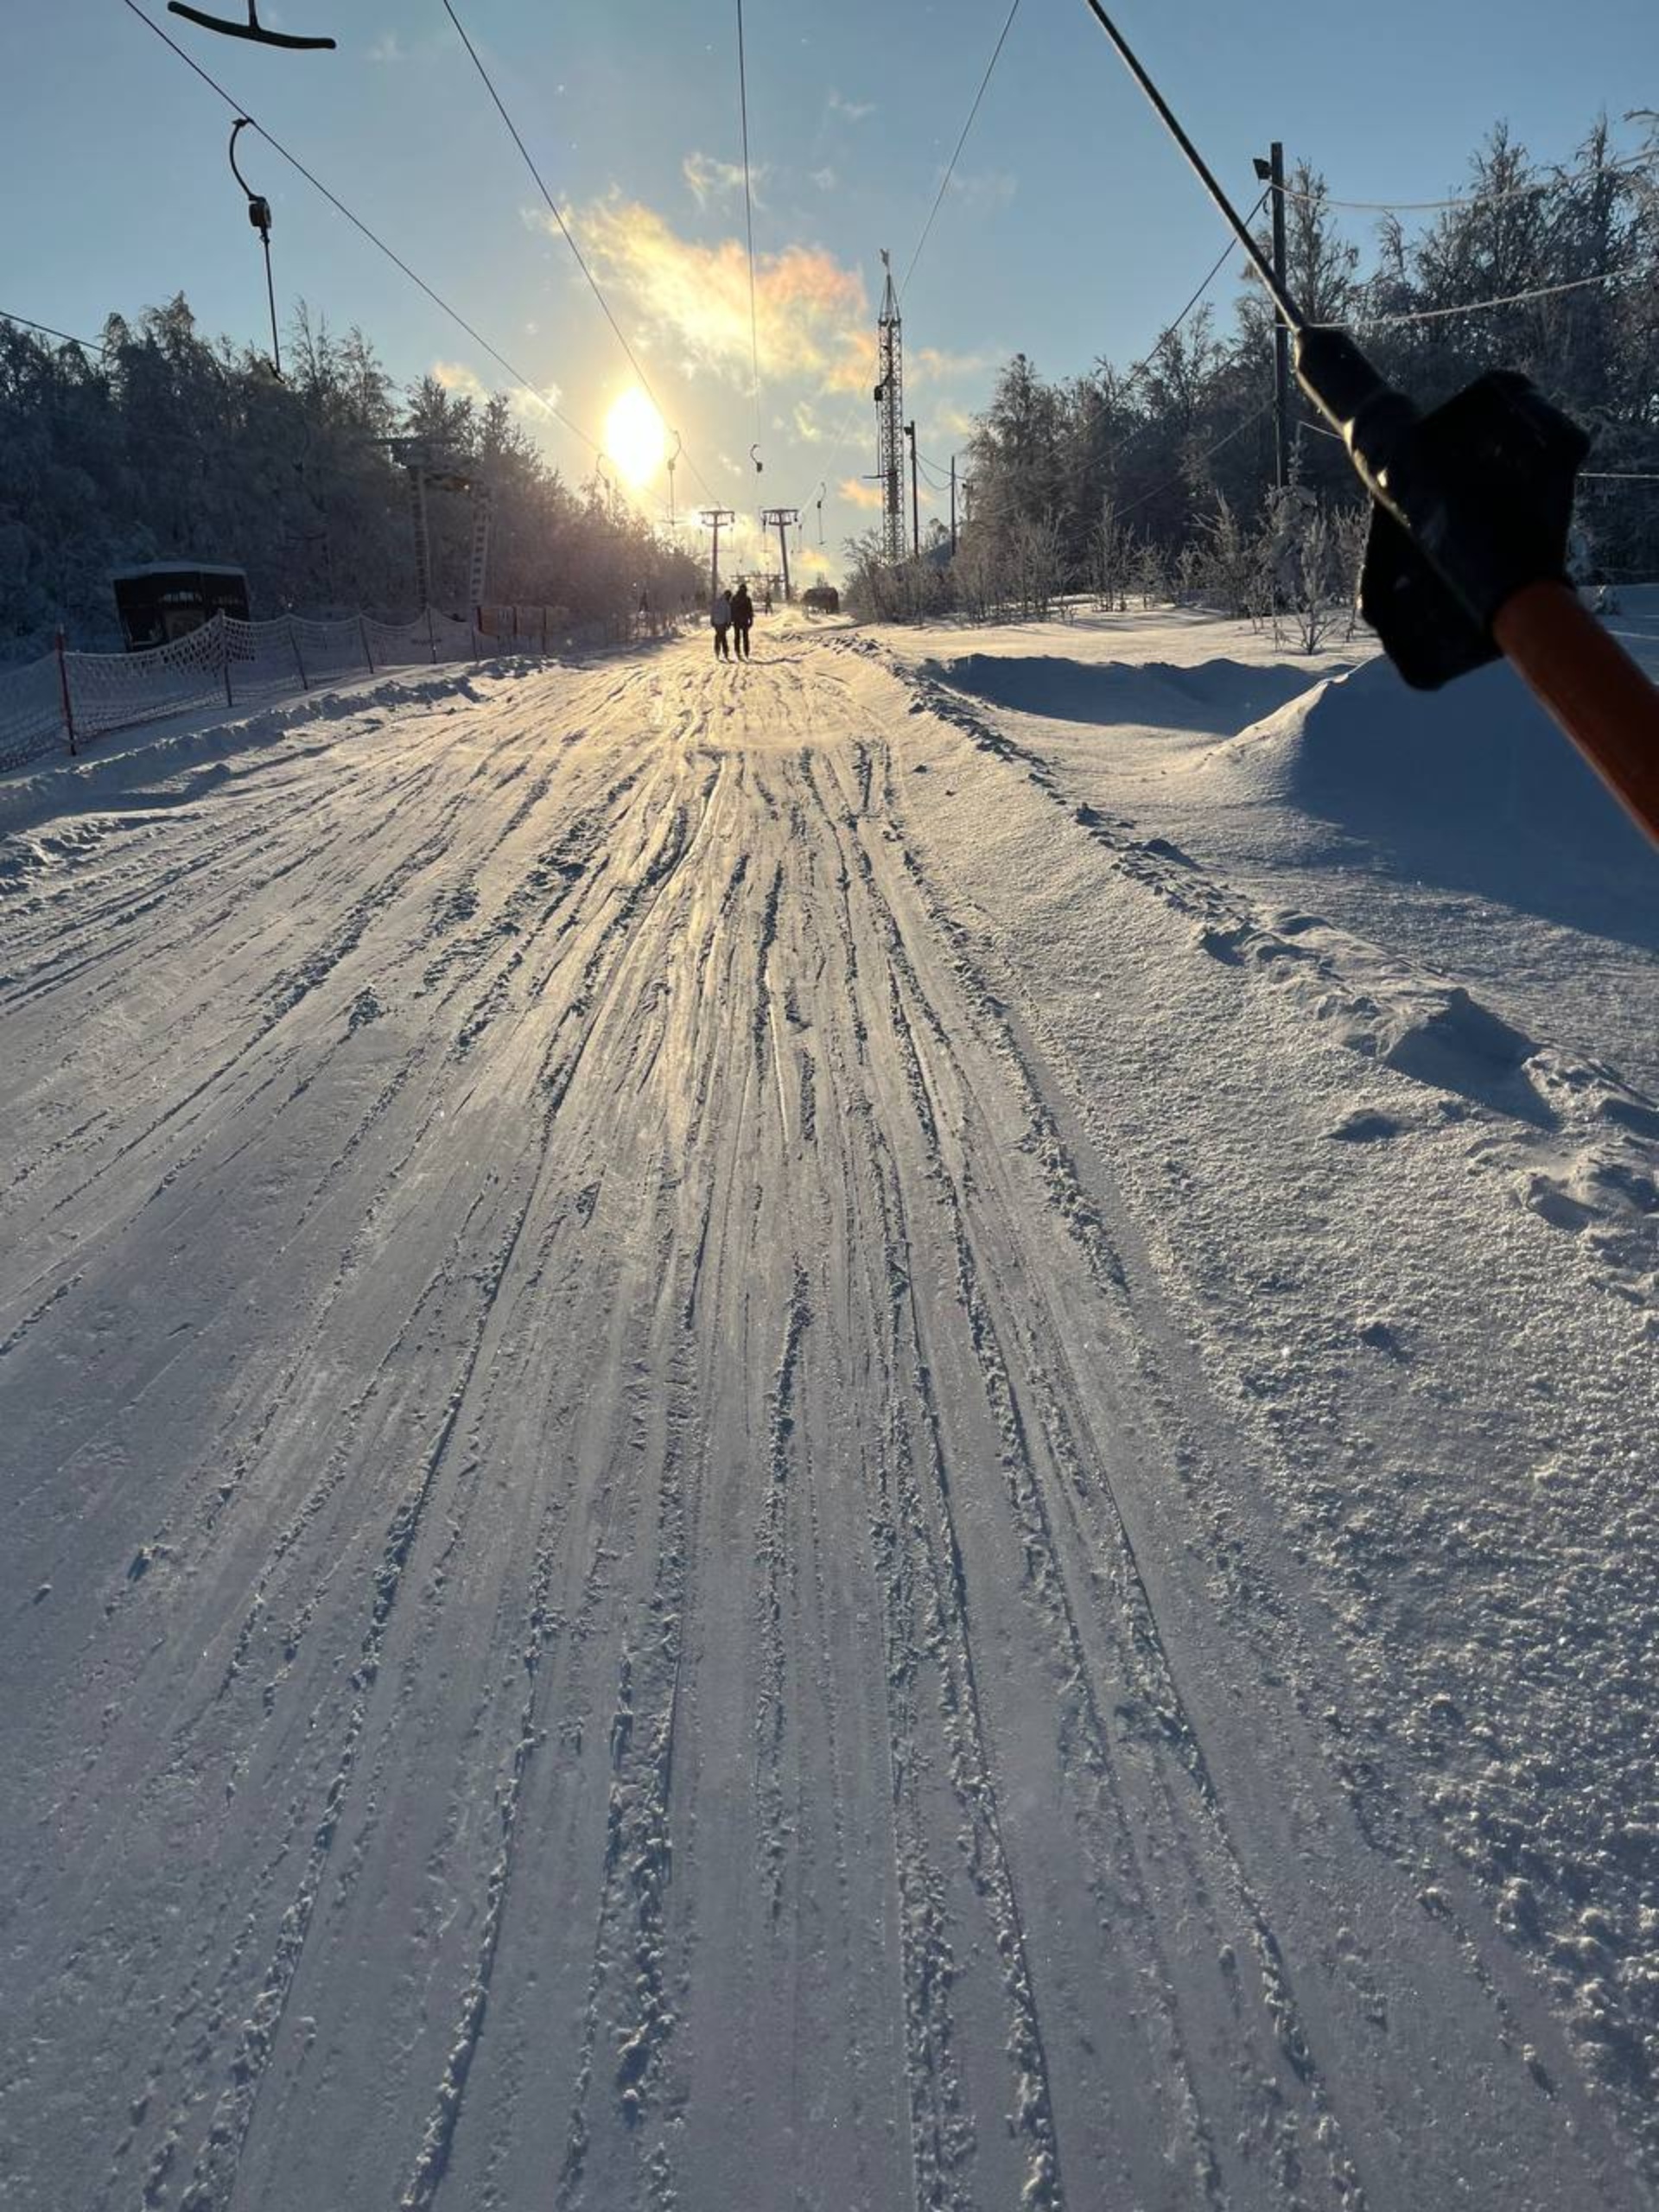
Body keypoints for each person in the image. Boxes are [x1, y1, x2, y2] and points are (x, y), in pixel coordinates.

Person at [730, 579, 754, 659]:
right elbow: (750, 611)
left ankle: (738, 651)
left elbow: (731, 609)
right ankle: (746, 652)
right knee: (745, 637)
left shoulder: (734, 598)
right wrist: (751, 620)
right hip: (744, 620)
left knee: (737, 636)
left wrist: (731, 620)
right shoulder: (747, 599)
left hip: (737, 620)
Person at [710, 587, 732, 659]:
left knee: (719, 635)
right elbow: (728, 614)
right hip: (723, 622)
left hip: (716, 622)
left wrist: (712, 620)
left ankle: (717, 650)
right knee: (723, 637)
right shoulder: (726, 603)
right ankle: (725, 652)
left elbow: (712, 611)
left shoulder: (717, 601)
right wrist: (729, 623)